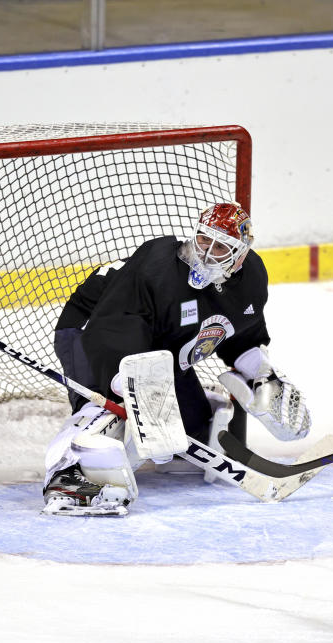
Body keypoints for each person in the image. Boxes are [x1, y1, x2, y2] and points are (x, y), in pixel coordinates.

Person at [42, 201, 311, 514]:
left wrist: (261, 374)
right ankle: (71, 475)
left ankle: (181, 419)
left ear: (240, 256)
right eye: (204, 240)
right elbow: (115, 326)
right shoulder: (158, 268)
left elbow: (236, 330)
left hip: (160, 343)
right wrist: (131, 386)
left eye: (221, 247)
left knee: (191, 428)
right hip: (95, 326)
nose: (208, 253)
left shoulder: (251, 279)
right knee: (110, 407)